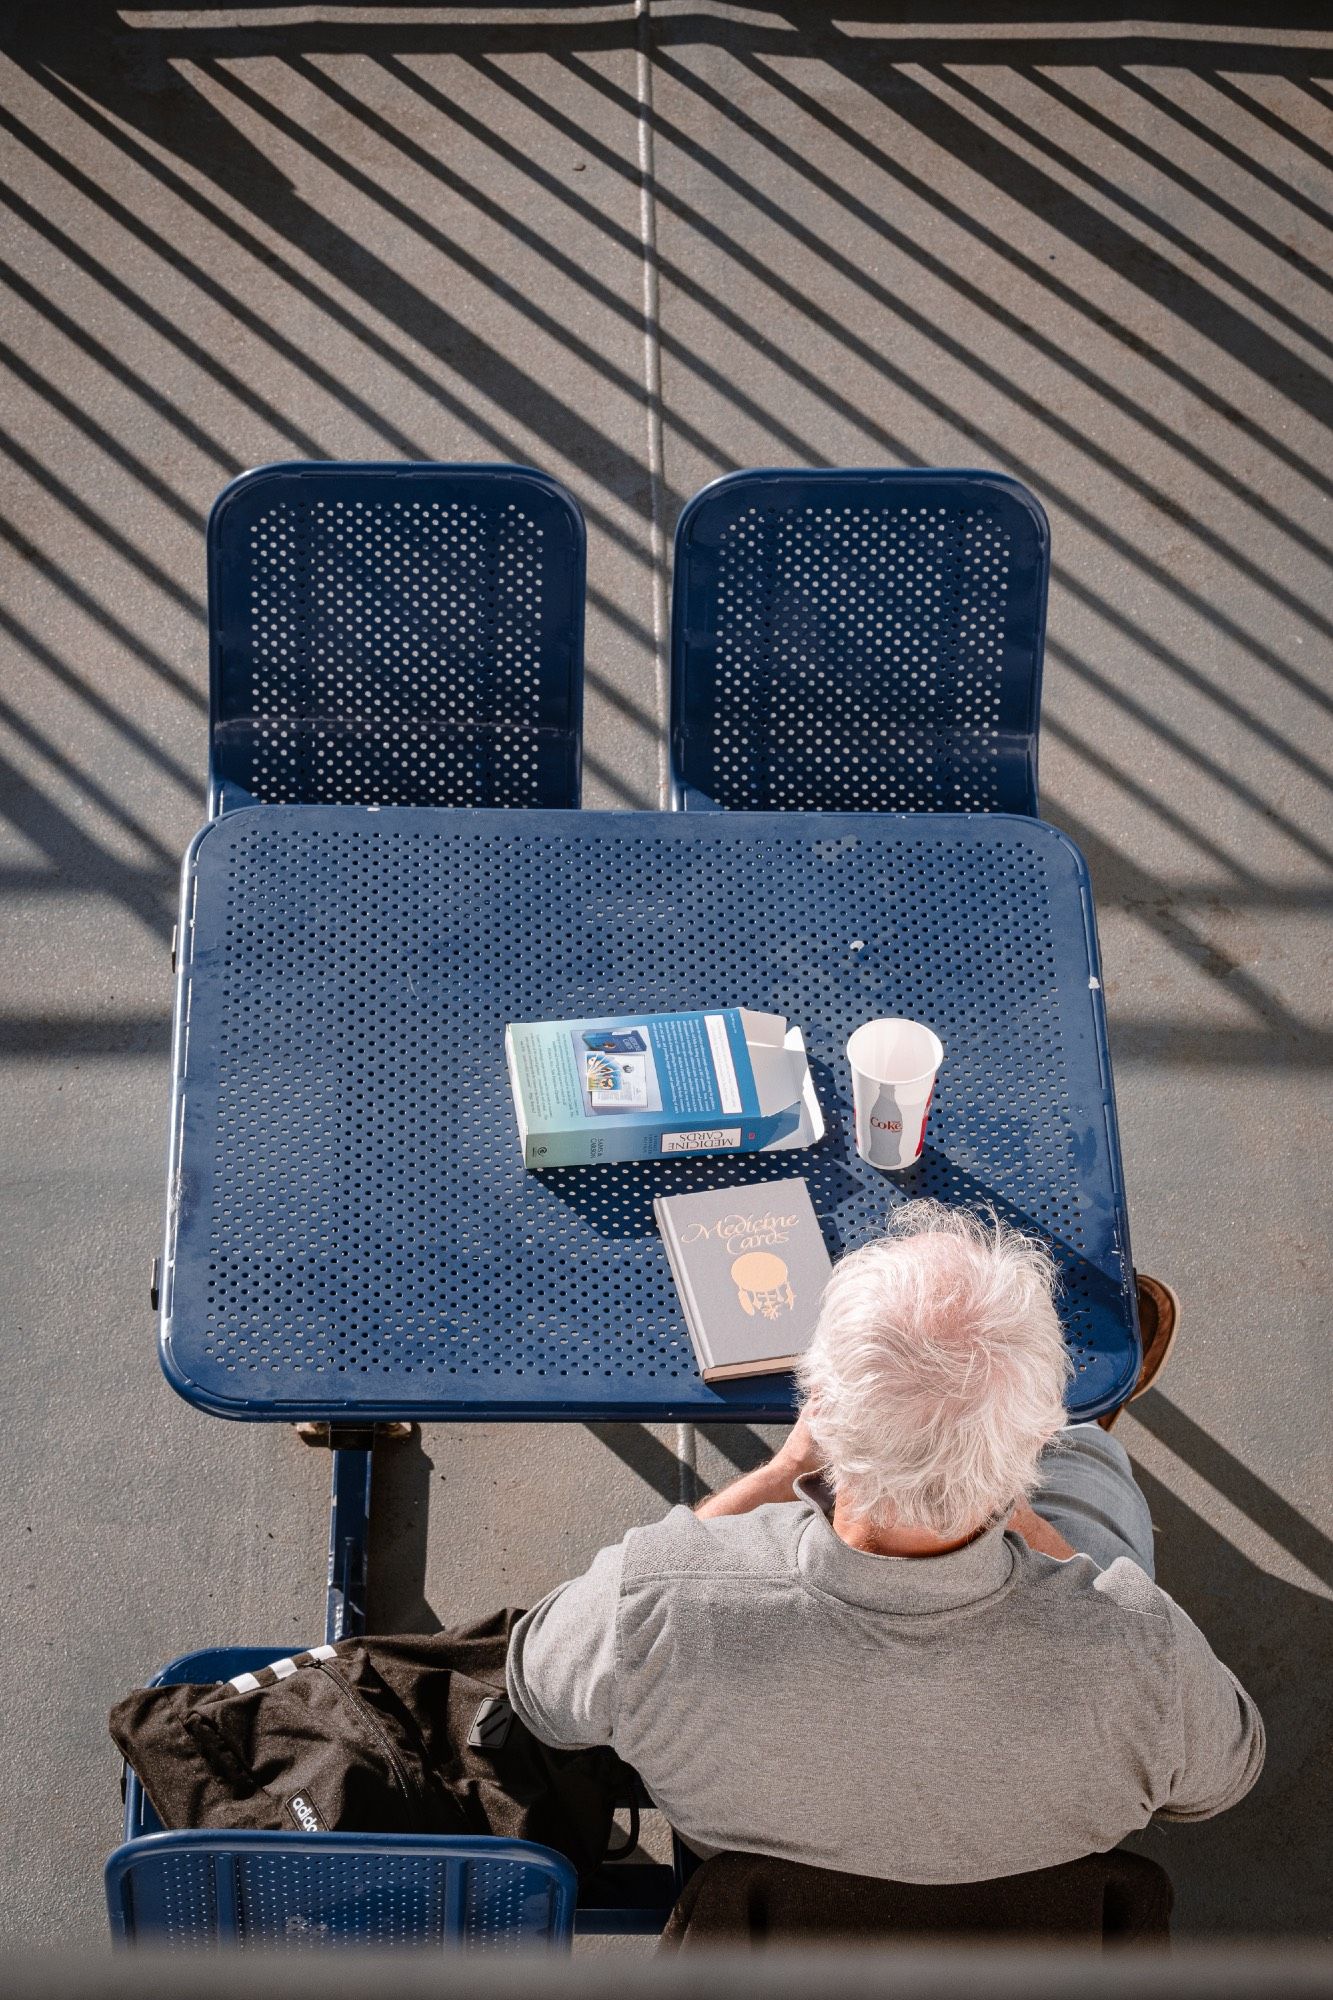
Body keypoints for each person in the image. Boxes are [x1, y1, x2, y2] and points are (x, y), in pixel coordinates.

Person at [506, 1202, 1264, 1884]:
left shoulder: (655, 1596)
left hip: (772, 1903)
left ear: (819, 1411)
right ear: (1030, 1436)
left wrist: (777, 1475)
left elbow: (541, 1698)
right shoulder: (1140, 1648)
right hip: (1014, 1912)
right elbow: (1218, 1784)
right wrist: (1022, 1517)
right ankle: (1065, 1445)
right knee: (1095, 1476)